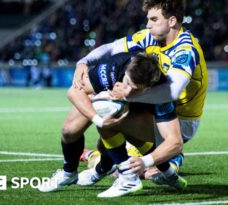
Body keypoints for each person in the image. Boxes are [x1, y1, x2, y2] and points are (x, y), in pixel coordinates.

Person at [74, 0, 208, 198]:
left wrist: (128, 94)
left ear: (172, 21)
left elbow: (171, 92)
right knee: (108, 130)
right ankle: (160, 160)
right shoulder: (150, 37)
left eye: (154, 19)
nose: (148, 25)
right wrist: (83, 62)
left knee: (129, 155)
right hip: (154, 110)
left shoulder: (185, 49)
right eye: (148, 19)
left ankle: (103, 163)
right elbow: (110, 48)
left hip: (180, 121)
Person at [38, 52, 169, 192]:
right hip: (114, 99)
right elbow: (73, 92)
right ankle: (69, 173)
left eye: (135, 89)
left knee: (114, 127)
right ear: (126, 72)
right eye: (128, 83)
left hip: (146, 117)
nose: (129, 89)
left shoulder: (161, 86)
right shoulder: (114, 67)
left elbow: (170, 134)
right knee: (69, 130)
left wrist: (124, 99)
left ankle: (119, 173)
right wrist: (97, 119)